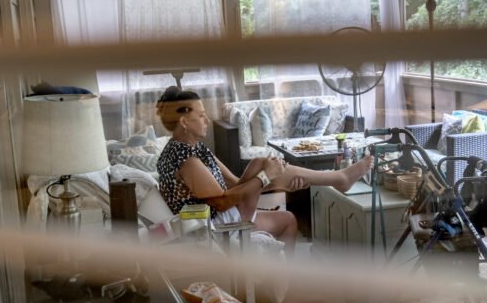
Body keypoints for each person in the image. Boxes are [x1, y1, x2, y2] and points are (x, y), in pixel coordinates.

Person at [155, 86, 373, 255]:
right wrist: (266, 177)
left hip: (222, 213)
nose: (206, 120)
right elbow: (221, 201)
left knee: (287, 217)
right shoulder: (186, 159)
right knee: (262, 167)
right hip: (210, 226)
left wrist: (278, 182)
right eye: (201, 115)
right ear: (184, 122)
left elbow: (236, 184)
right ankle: (339, 178)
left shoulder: (196, 148)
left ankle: (283, 288)